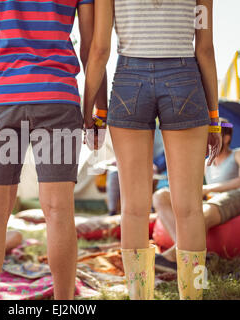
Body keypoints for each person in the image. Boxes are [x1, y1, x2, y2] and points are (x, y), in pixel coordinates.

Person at [0, 0, 103, 299]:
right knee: (59, 210)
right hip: (58, 98)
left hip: (5, 98)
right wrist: (96, 109)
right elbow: (91, 48)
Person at [82, 0, 222, 299]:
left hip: (129, 81)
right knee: (189, 208)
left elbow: (99, 50)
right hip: (185, 80)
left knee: (133, 208)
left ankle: (139, 295)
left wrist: (89, 111)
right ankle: (192, 296)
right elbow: (205, 48)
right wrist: (213, 119)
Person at [153, 118, 240, 272]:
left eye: (212, 135)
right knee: (160, 196)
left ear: (226, 138)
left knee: (201, 213)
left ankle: (174, 257)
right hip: (214, 201)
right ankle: (186, 251)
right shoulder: (206, 162)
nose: (208, 140)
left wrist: (207, 189)